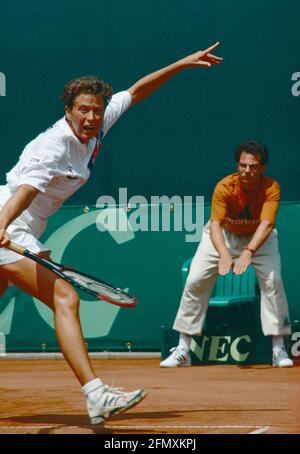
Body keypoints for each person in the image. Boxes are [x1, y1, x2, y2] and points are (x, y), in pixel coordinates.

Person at [0, 43, 222, 424]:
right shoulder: (52, 146)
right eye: (82, 109)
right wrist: (2, 227)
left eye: (96, 110)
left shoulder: (100, 123)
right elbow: (26, 191)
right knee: (65, 298)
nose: (90, 116)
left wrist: (183, 64)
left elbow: (137, 91)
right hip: (9, 219)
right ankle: (95, 393)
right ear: (67, 111)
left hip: (24, 225)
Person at [161, 140, 293, 369]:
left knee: (274, 282)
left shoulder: (272, 187)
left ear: (262, 168)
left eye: (253, 166)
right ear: (237, 165)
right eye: (243, 165)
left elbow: (266, 224)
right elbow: (215, 225)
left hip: (260, 238)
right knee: (195, 280)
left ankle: (277, 349)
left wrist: (248, 252)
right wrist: (224, 253)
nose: (247, 171)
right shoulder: (224, 186)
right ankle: (183, 349)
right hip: (224, 235)